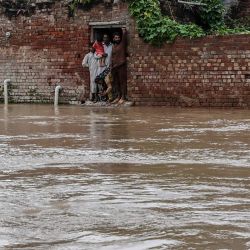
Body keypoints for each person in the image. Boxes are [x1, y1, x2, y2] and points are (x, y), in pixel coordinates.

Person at [111, 27, 128, 104]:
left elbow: (124, 37)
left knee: (122, 82)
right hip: (114, 67)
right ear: (114, 39)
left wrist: (123, 31)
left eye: (118, 37)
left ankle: (123, 97)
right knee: (116, 82)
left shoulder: (122, 44)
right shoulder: (113, 46)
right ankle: (118, 96)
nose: (117, 39)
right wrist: (112, 65)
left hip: (121, 65)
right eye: (116, 38)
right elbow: (112, 57)